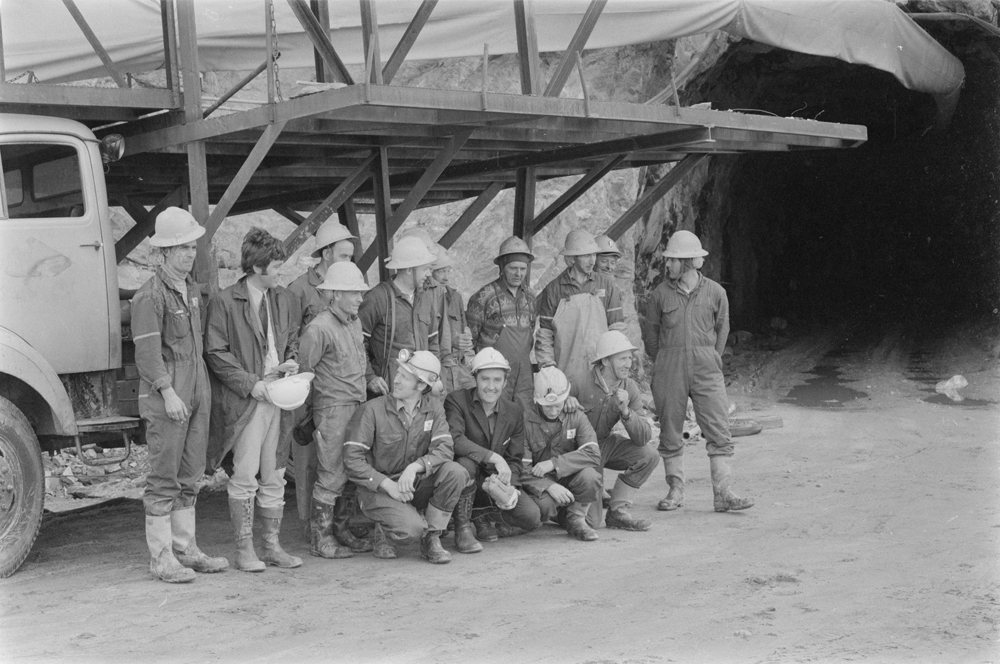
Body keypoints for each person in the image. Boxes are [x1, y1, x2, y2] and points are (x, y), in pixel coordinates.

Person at [131, 207, 228, 583]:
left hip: (195, 385)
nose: (190, 254)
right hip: (168, 391)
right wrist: (168, 393)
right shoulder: (148, 296)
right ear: (164, 253)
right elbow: (148, 354)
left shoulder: (189, 290)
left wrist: (199, 392)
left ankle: (185, 548)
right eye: (182, 248)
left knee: (191, 473)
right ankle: (161, 557)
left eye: (192, 247)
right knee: (163, 476)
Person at [205, 228, 303, 572]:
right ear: (258, 267)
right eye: (276, 266)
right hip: (248, 402)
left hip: (281, 398)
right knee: (245, 473)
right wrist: (252, 384)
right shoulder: (224, 302)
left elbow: (291, 339)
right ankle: (244, 549)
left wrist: (290, 363)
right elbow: (215, 353)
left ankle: (272, 546)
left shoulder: (284, 299)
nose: (281, 273)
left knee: (275, 473)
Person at [643, 230, 754, 514]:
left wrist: (709, 357)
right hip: (670, 366)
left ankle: (723, 493)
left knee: (718, 427)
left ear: (689, 262)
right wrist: (667, 360)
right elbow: (651, 337)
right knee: (670, 430)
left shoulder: (716, 292)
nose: (667, 266)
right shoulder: (659, 295)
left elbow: (723, 329)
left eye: (673, 261)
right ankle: (675, 490)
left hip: (706, 366)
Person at [344, 350, 468, 564]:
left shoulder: (434, 408)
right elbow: (352, 460)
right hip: (379, 490)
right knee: (411, 530)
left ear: (421, 385)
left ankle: (432, 537)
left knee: (456, 472)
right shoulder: (372, 410)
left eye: (405, 376)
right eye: (398, 373)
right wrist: (387, 485)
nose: (396, 380)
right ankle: (385, 527)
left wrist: (415, 468)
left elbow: (445, 447)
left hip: (412, 484)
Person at [298, 262, 385, 559]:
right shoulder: (319, 328)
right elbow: (304, 372)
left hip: (357, 407)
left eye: (360, 293)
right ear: (335, 294)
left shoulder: (353, 322)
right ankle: (320, 539)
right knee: (332, 473)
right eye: (354, 293)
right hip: (333, 409)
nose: (361, 299)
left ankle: (341, 530)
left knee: (351, 470)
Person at [283, 221, 362, 534]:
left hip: (350, 399)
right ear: (326, 253)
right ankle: (316, 533)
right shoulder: (301, 292)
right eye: (343, 255)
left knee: (346, 465)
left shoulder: (351, 321)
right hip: (324, 399)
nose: (348, 261)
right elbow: (301, 357)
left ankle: (337, 531)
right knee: (318, 467)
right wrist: (307, 412)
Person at [445, 348, 541, 547]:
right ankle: (462, 528)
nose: (491, 386)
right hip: (464, 480)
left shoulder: (514, 412)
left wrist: (509, 487)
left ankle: (483, 517)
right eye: (485, 379)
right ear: (475, 379)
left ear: (505, 382)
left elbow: (514, 459)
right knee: (465, 463)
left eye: (497, 380)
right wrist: (494, 457)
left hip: (493, 483)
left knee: (531, 516)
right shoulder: (457, 400)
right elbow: (455, 439)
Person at [565, 330, 657, 532]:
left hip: (605, 445)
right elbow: (549, 415)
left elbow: (644, 437)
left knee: (649, 456)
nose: (628, 364)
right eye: (622, 358)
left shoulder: (630, 387)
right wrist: (567, 402)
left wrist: (625, 411)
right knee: (592, 523)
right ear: (605, 361)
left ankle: (618, 512)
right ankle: (561, 508)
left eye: (630, 358)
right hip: (579, 452)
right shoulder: (579, 381)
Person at [519, 367, 602, 542]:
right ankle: (556, 513)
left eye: (558, 405)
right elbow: (522, 469)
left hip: (569, 477)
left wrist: (554, 463)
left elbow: (593, 453)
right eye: (547, 406)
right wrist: (549, 486)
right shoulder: (525, 422)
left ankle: (575, 519)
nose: (553, 410)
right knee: (544, 506)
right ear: (537, 399)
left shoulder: (576, 416)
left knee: (591, 483)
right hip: (540, 483)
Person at [536, 229, 625, 389]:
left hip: (601, 373)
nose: (592, 261)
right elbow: (545, 335)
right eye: (585, 256)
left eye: (593, 255)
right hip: (566, 374)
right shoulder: (554, 289)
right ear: (571, 259)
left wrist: (616, 367)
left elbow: (616, 330)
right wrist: (549, 368)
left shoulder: (606, 284)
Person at [466, 236, 537, 413]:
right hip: (493, 375)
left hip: (524, 375)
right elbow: (469, 341)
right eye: (513, 268)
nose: (518, 274)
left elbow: (531, 330)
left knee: (524, 418)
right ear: (502, 268)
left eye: (523, 269)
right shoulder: (484, 296)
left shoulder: (530, 296)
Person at [359, 236, 438, 390]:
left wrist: (434, 376)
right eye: (425, 269)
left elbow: (433, 343)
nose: (429, 274)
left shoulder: (426, 298)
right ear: (409, 269)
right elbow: (357, 343)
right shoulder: (377, 299)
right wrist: (369, 377)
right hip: (390, 390)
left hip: (421, 389)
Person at [427, 244, 475, 394]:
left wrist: (470, 364)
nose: (446, 277)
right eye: (441, 271)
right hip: (438, 369)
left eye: (448, 271)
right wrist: (451, 343)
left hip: (459, 369)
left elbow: (465, 334)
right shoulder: (425, 299)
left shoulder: (455, 297)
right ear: (430, 272)